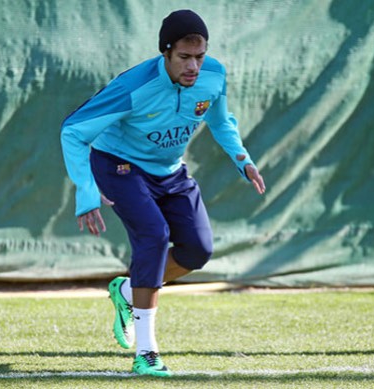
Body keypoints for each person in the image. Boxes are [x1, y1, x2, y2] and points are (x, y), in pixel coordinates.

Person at [60, 9, 266, 376]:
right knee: (154, 236)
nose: (194, 67)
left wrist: (243, 159)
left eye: (199, 57)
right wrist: (86, 191)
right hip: (119, 166)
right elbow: (74, 131)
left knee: (198, 249)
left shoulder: (213, 76)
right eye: (184, 58)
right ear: (165, 53)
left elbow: (219, 121)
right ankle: (147, 352)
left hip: (170, 172)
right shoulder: (133, 87)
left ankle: (126, 293)